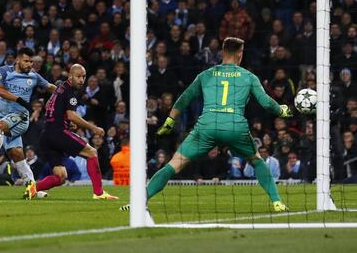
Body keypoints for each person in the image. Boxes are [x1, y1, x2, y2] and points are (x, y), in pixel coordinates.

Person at [121, 37, 292, 212]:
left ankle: (140, 202)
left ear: (223, 52)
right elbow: (265, 102)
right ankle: (277, 202)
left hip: (207, 125)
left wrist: (170, 121)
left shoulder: (206, 74)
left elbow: (184, 98)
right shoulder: (249, 77)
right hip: (234, 125)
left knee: (175, 163)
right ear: (240, 54)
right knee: (257, 161)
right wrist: (282, 111)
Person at [0, 47, 56, 200]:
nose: (30, 65)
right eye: (26, 61)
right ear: (18, 60)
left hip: (21, 117)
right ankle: (33, 188)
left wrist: (63, 90)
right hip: (6, 116)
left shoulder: (33, 76)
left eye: (31, 62)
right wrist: (20, 99)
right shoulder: (4, 71)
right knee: (17, 155)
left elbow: (50, 87)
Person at [37, 64, 118, 200]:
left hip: (47, 134)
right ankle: (99, 193)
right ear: (70, 76)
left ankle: (33, 188)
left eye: (83, 77)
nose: (81, 80)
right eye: (78, 76)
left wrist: (66, 121)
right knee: (91, 152)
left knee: (61, 176)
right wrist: (93, 128)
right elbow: (72, 115)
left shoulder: (60, 88)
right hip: (58, 132)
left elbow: (48, 106)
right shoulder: (69, 91)